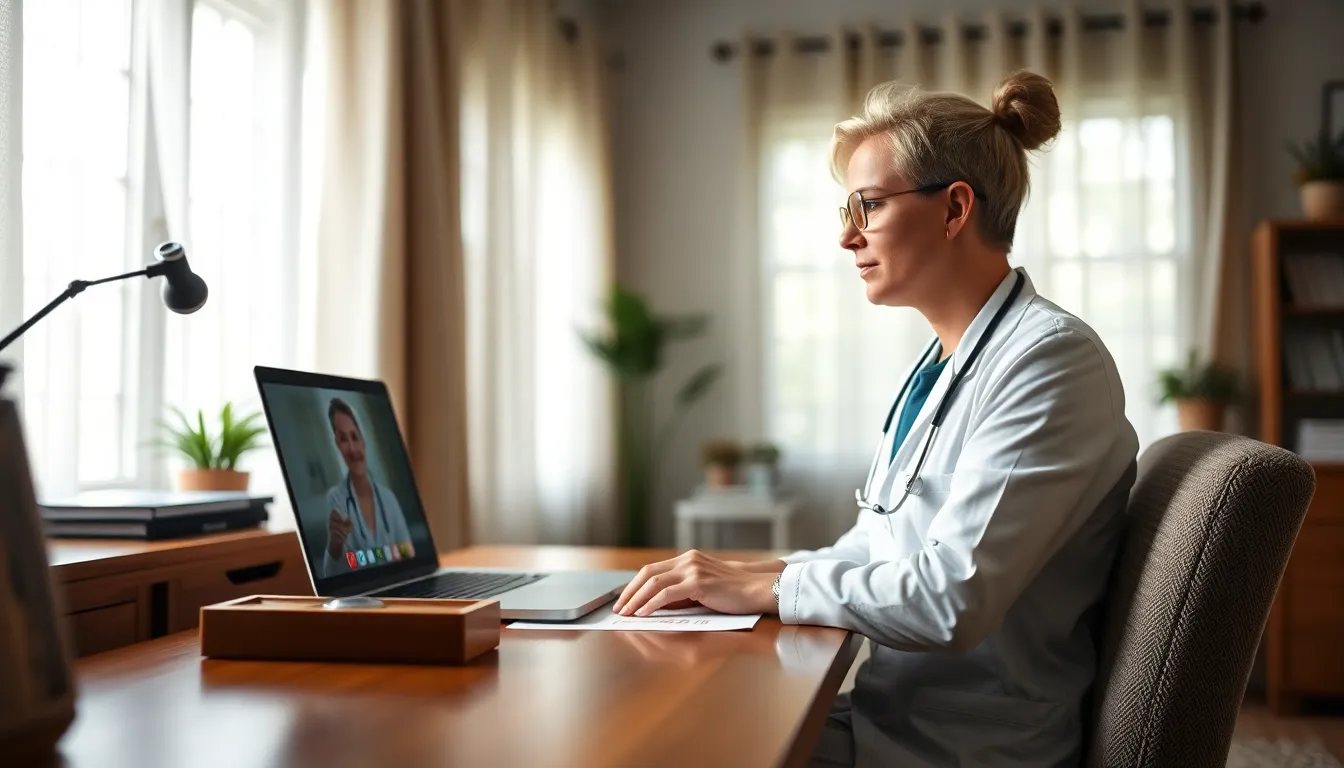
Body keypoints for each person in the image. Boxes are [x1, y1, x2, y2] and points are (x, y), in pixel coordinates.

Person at [612, 69, 1140, 767]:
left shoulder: (1049, 363)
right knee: (666, 728)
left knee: (668, 746)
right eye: (846, 213)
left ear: (954, 210)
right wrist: (743, 575)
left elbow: (950, 599)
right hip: (895, 720)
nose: (847, 239)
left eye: (868, 207)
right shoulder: (946, 362)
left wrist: (763, 587)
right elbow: (877, 544)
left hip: (961, 750)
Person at [320, 397, 413, 577]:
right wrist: (334, 547)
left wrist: (369, 558)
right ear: (338, 446)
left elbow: (408, 553)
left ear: (364, 440)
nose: (353, 449)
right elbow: (332, 578)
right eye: (343, 440)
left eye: (355, 436)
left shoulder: (388, 498)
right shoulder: (336, 498)